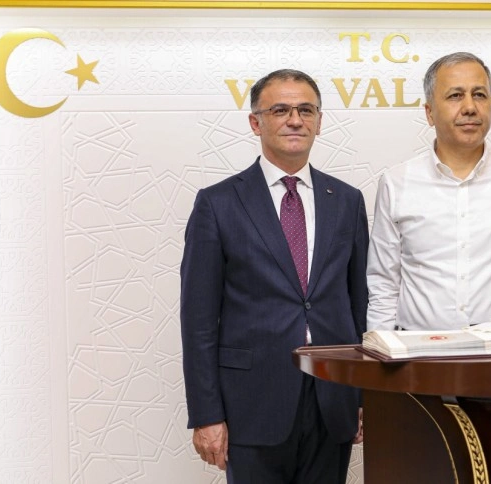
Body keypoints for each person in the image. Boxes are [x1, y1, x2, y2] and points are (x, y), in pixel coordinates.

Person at [180, 69, 368, 483]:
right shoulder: (218, 203)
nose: (295, 120)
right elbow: (198, 322)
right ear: (256, 122)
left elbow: (359, 305)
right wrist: (206, 414)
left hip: (332, 398)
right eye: (280, 110)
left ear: (319, 121)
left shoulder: (347, 201)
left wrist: (360, 397)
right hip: (252, 402)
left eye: (306, 110)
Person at [366, 52, 491, 332]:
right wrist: (381, 347)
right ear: (429, 112)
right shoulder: (397, 183)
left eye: (479, 95)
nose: (470, 107)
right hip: (421, 352)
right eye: (455, 96)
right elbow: (383, 283)